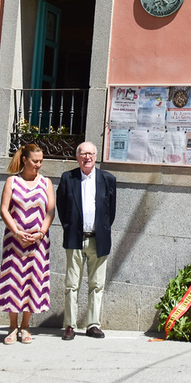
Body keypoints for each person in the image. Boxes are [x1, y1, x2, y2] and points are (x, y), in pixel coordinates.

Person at [56, 141, 116, 340]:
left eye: (90, 154)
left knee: (97, 284)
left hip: (98, 240)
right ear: (77, 157)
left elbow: (110, 212)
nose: (87, 157)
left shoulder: (107, 179)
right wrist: (69, 227)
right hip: (75, 237)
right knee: (71, 284)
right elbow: (62, 208)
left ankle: (93, 325)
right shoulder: (68, 178)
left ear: (96, 156)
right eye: (83, 154)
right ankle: (70, 326)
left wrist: (102, 229)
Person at [0, 144, 55, 345]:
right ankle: (12, 326)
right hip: (14, 241)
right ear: (24, 160)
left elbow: (50, 212)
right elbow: (4, 210)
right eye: (35, 161)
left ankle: (27, 325)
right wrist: (17, 232)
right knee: (13, 280)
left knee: (32, 281)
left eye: (41, 161)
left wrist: (40, 233)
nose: (38, 165)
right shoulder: (12, 181)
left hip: (38, 242)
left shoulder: (46, 182)